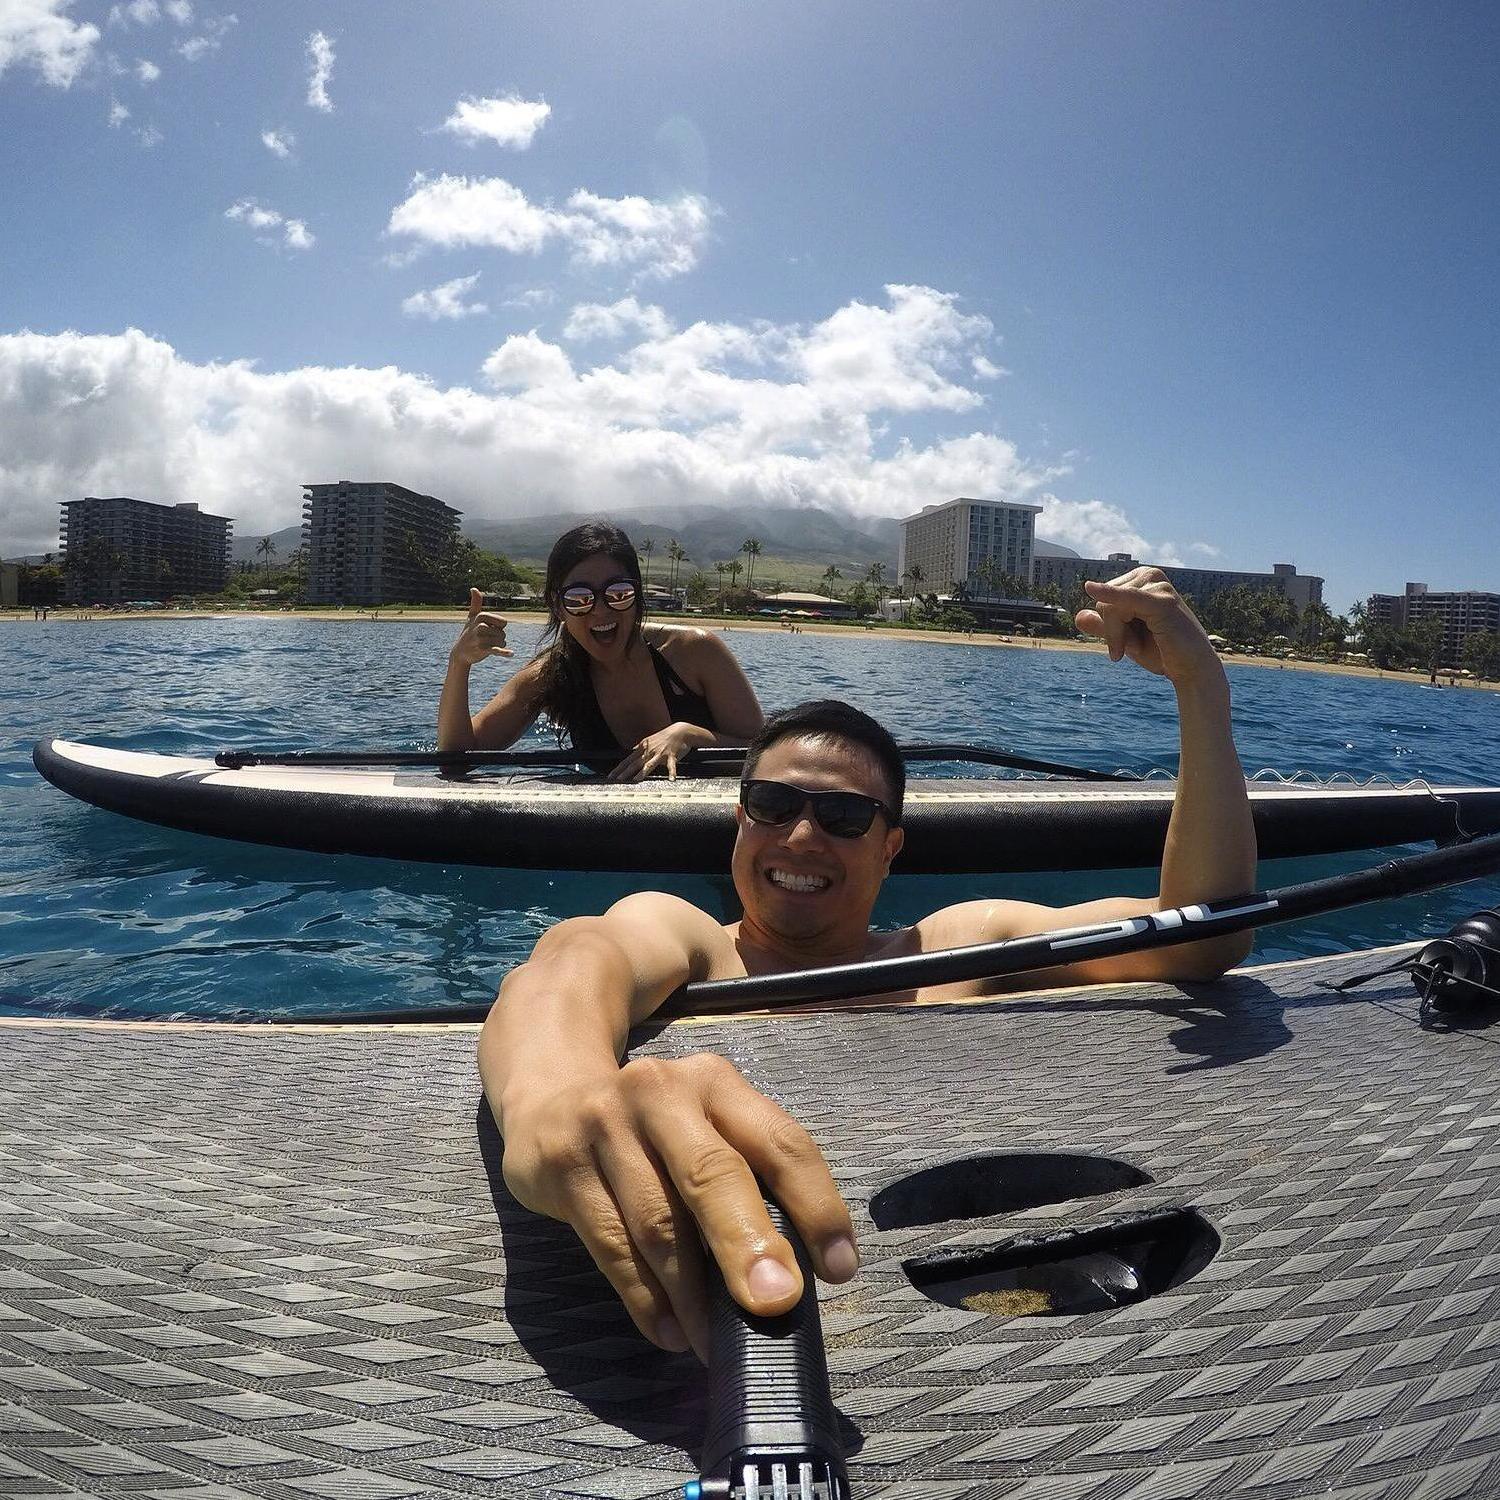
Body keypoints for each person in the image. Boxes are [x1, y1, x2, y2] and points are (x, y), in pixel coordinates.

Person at [479, 567, 1257, 1358]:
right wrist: (559, 1103)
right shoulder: (697, 944)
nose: (802, 837)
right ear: (740, 819)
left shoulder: (953, 948)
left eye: (845, 817)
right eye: (774, 806)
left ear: (891, 848)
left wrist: (1202, 689)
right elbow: (572, 965)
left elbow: (1198, 937)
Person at [439, 521, 764, 781]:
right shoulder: (551, 675)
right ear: (558, 606)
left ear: (637, 595)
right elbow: (457, 758)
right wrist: (459, 663)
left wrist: (689, 735)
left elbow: (766, 755)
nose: (600, 610)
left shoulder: (694, 652)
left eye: (618, 593)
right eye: (579, 598)